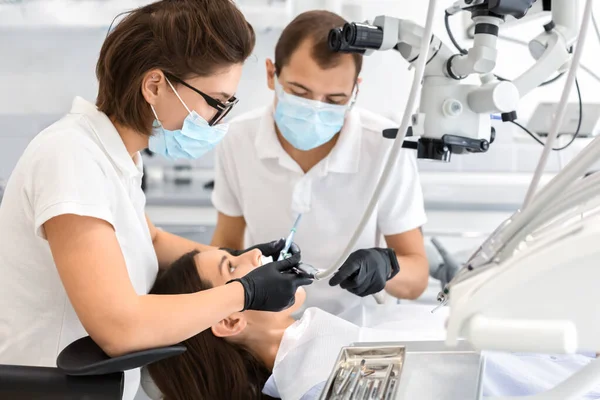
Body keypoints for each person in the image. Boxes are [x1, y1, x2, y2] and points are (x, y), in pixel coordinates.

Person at [0, 1, 311, 399]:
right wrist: (246, 291)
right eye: (215, 104)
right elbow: (119, 328)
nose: (217, 122)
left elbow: (152, 241)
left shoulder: (118, 158)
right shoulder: (71, 156)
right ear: (155, 86)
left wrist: (244, 258)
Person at [145, 249, 600, 400]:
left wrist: (392, 264)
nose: (253, 256)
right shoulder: (325, 379)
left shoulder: (322, 340)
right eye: (232, 267)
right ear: (227, 319)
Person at [210, 10, 429, 317]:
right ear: (272, 75)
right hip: (265, 327)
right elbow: (225, 246)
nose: (315, 110)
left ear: (356, 90)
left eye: (335, 100)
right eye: (300, 93)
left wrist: (386, 267)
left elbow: (417, 278)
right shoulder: (238, 139)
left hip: (355, 331)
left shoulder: (385, 146)